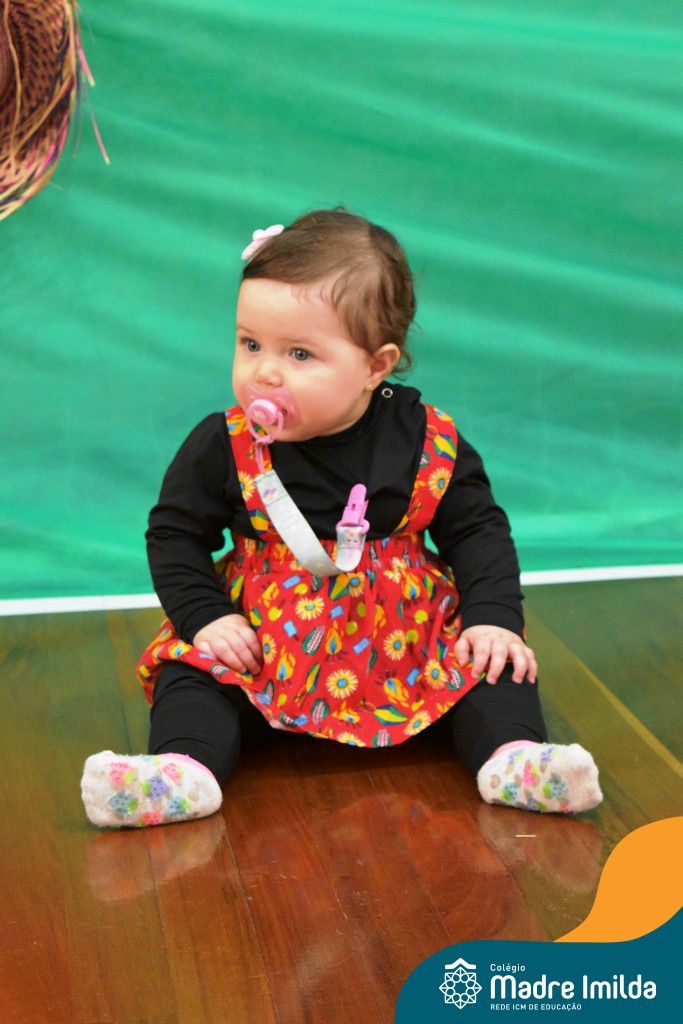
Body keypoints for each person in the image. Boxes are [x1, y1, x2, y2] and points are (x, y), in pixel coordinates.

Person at [81, 209, 602, 828]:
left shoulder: (426, 438)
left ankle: (514, 760)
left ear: (376, 366)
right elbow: (175, 533)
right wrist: (206, 617)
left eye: (300, 353)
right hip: (265, 649)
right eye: (250, 344)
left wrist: (493, 620)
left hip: (408, 644)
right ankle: (182, 772)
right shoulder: (224, 442)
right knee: (191, 678)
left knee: (494, 667)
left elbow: (476, 530)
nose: (264, 372)